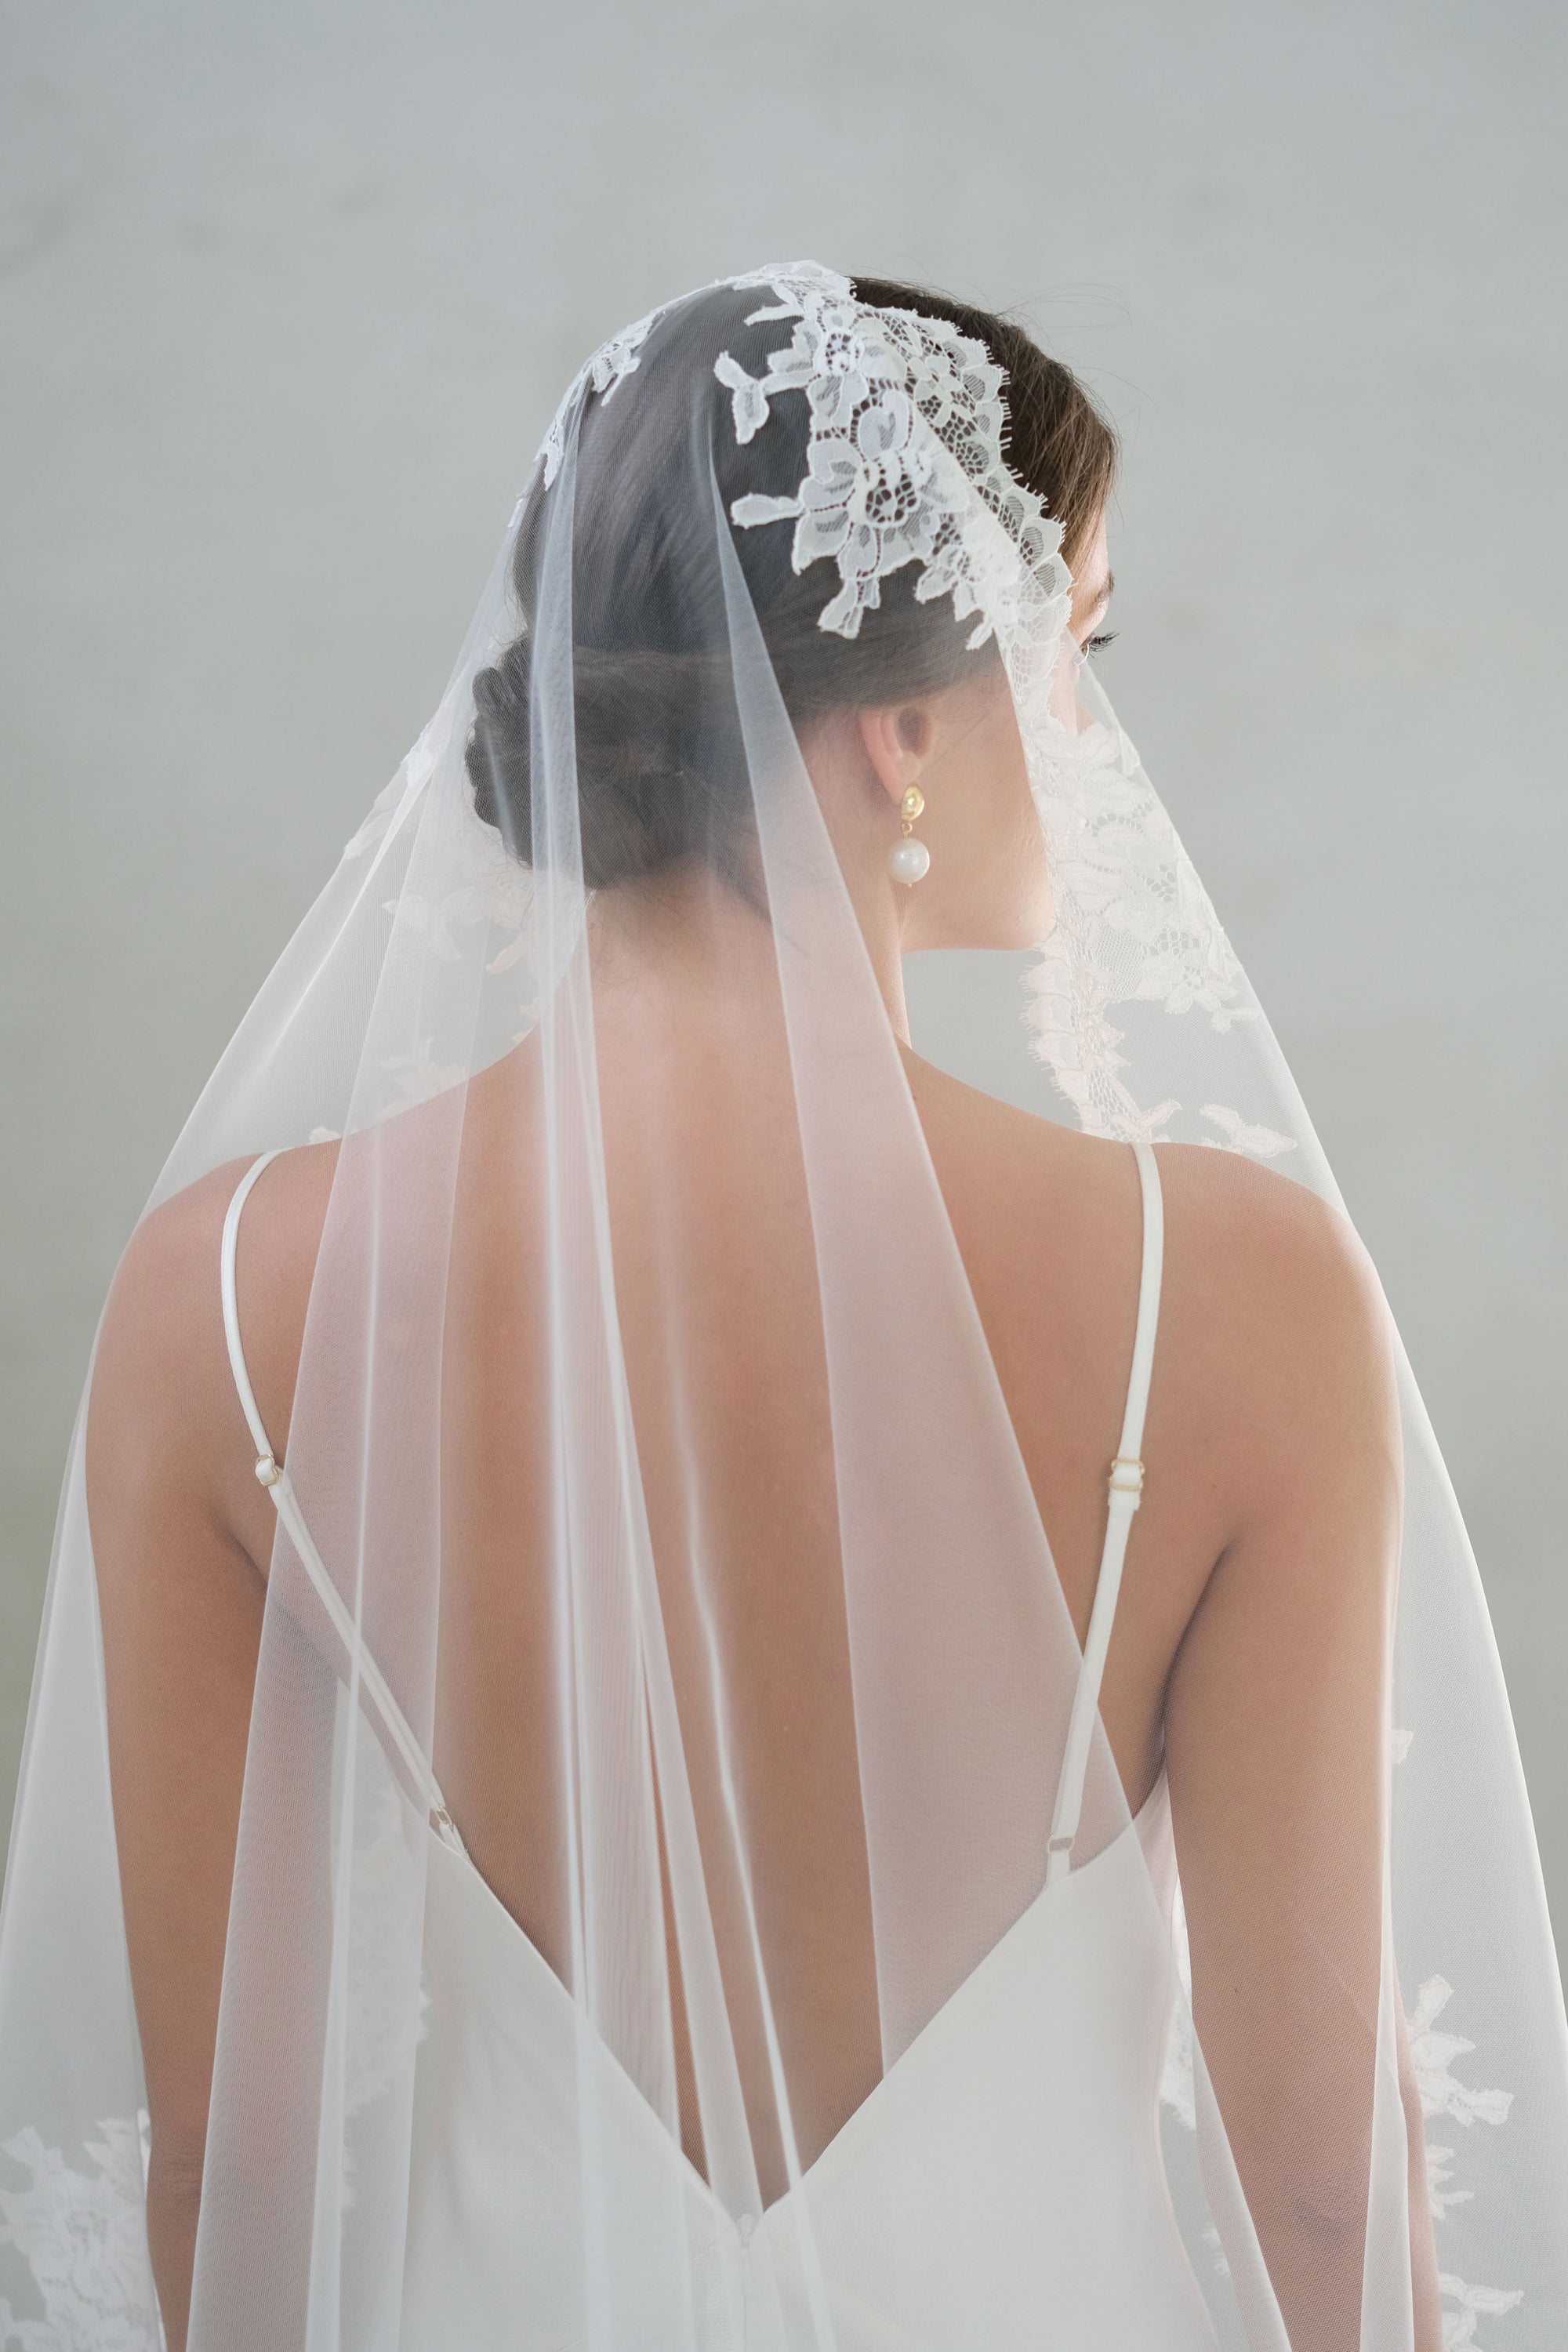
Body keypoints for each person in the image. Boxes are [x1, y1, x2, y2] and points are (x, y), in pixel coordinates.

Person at [2, 264, 1563, 2352]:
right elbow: (1312, 2159)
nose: (1090, 745)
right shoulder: (1238, 1298)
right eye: (1069, 652)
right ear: (904, 729)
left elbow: (240, 2159)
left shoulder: (219, 1301)